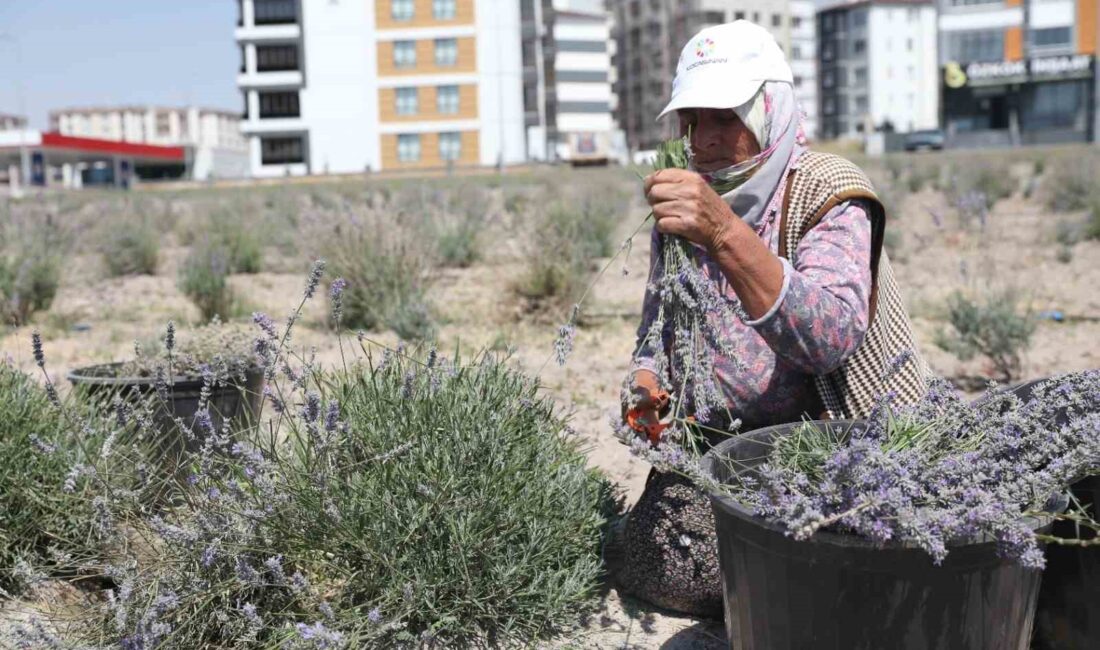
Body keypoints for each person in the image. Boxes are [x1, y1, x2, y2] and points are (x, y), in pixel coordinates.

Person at [614, 21, 927, 618]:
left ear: (769, 109)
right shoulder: (686, 204)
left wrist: (725, 233)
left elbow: (829, 340)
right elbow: (657, 329)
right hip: (725, 449)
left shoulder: (829, 191)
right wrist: (648, 382)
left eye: (725, 117)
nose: (703, 139)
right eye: (693, 121)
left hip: (837, 441)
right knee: (663, 565)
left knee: (843, 573)